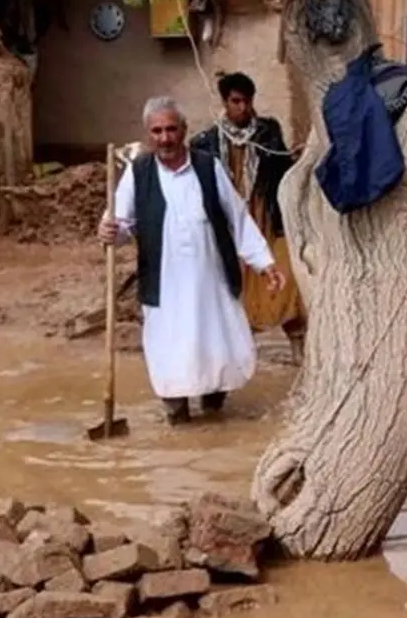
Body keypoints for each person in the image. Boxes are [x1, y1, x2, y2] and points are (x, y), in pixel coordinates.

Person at [98, 96, 285, 425]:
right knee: (170, 352)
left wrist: (264, 263)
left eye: (171, 129)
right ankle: (177, 414)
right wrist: (109, 231)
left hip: (210, 282)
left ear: (184, 130)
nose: (165, 138)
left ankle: (214, 408)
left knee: (216, 348)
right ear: (148, 134)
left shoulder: (208, 166)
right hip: (164, 284)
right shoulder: (137, 173)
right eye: (157, 131)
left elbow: (238, 218)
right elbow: (121, 225)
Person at [190, 72, 308, 365]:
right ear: (225, 102)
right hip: (228, 225)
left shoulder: (268, 133)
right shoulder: (205, 142)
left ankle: (297, 348)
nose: (242, 107)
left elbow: (283, 172)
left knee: (284, 277)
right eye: (236, 101)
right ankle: (237, 355)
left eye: (247, 101)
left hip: (266, 217)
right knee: (232, 287)